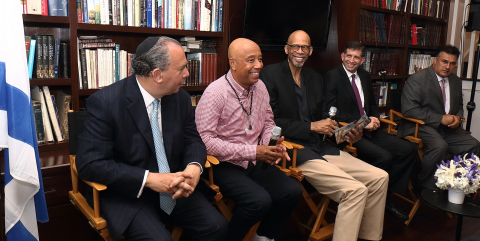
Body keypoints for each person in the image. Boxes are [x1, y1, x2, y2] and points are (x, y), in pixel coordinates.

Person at [76, 36, 227, 241]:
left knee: (217, 227)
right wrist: (149, 179)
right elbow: (90, 164)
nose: (187, 74)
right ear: (157, 75)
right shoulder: (106, 103)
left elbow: (193, 140)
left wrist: (193, 167)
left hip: (175, 187)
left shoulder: (180, 98)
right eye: (181, 68)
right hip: (128, 193)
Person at [260, 30, 388, 241]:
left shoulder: (314, 78)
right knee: (354, 190)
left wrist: (345, 135)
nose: (299, 51)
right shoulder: (270, 74)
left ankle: (368, 237)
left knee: (379, 177)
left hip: (321, 147)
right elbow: (273, 122)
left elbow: (324, 120)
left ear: (310, 51)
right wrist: (312, 127)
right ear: (286, 49)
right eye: (295, 46)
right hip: (293, 150)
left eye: (304, 47)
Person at [195, 38, 303, 241]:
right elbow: (205, 141)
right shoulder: (215, 93)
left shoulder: (260, 87)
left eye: (260, 59)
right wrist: (254, 151)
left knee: (293, 192)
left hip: (256, 160)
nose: (259, 65)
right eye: (251, 60)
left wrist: (271, 145)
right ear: (233, 63)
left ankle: (262, 237)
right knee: (259, 201)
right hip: (223, 165)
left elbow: (268, 121)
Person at [323, 41, 416, 221]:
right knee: (384, 157)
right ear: (342, 56)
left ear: (362, 60)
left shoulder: (365, 76)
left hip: (370, 129)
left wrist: (374, 119)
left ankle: (386, 196)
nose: (351, 60)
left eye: (356, 57)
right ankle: (372, 203)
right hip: (349, 133)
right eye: (348, 56)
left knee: (408, 150)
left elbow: (372, 105)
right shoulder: (332, 76)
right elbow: (330, 111)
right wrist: (361, 122)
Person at [398, 45, 480, 190]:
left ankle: (455, 181)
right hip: (421, 125)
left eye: (452, 63)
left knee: (473, 145)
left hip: (447, 128)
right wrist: (440, 118)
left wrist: (458, 118)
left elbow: (459, 105)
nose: (448, 66)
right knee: (439, 146)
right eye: (444, 61)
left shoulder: (455, 80)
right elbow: (409, 110)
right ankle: (423, 185)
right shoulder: (417, 79)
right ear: (435, 60)